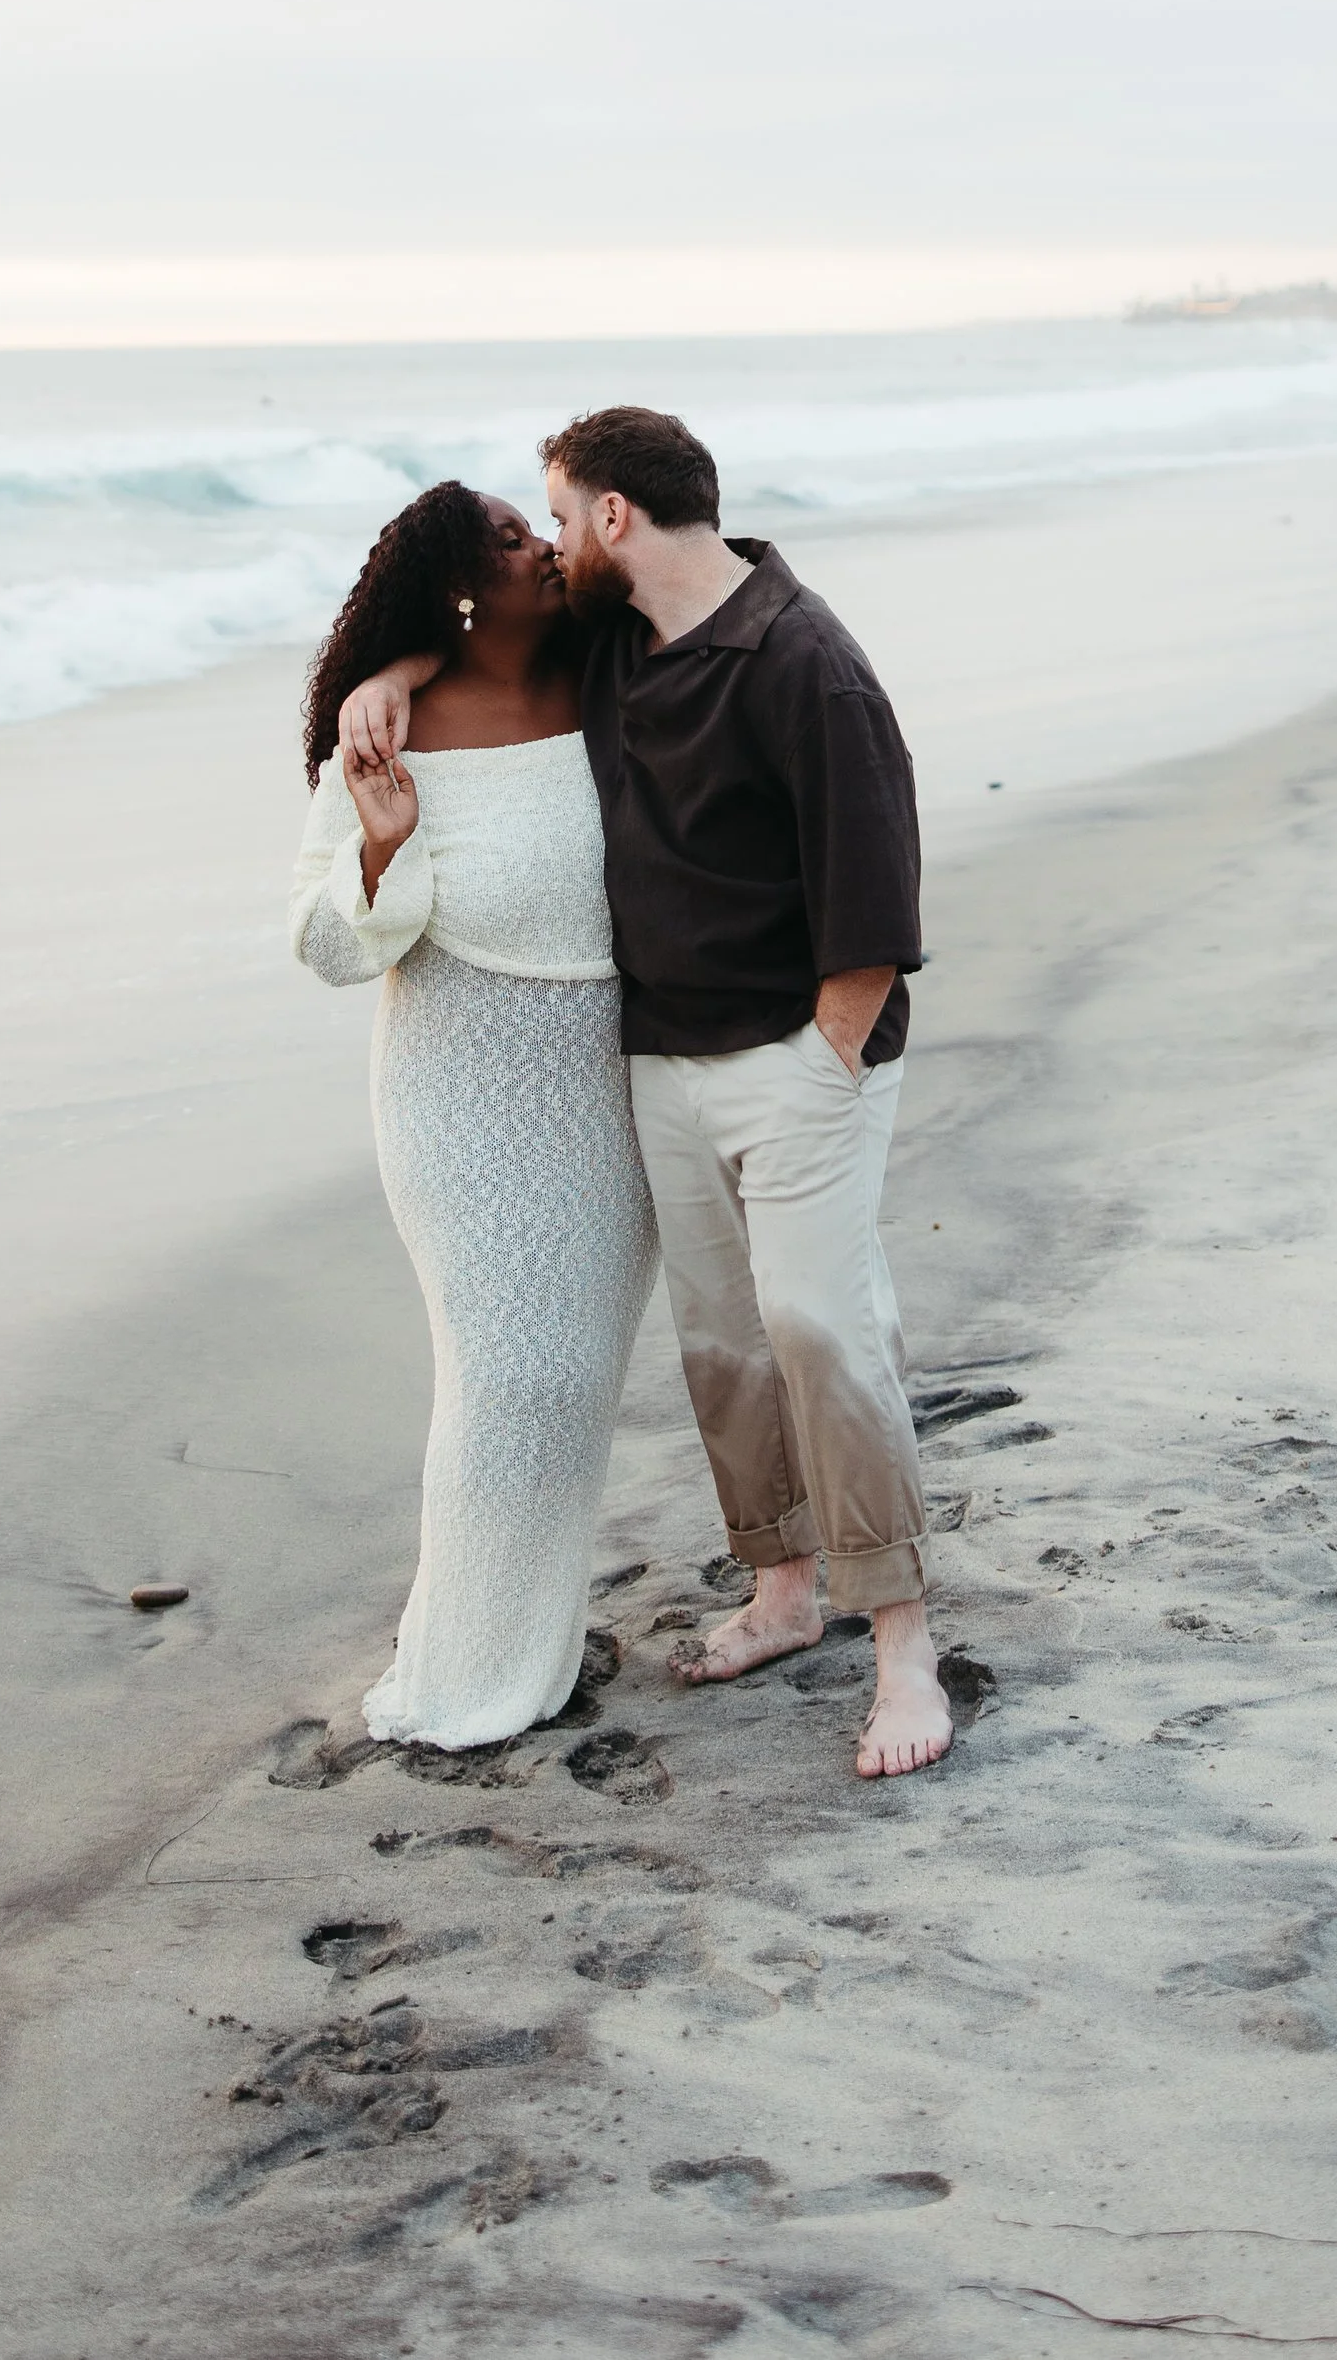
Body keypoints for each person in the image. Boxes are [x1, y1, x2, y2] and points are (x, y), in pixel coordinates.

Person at [340, 406, 949, 1780]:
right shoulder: (617, 643)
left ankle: (903, 1641)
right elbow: (479, 642)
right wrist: (398, 660)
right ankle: (784, 1591)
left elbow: (878, 887)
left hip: (798, 1058)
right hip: (660, 1060)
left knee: (819, 1325)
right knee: (725, 1343)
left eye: (560, 518)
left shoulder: (804, 659)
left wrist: (827, 1051)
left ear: (612, 518)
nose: (551, 547)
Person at [290, 481, 657, 1749]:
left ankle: (535, 1650)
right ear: (457, 585)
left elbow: (718, 568)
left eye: (538, 526)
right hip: (459, 1090)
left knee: (574, 1385)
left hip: (615, 1083)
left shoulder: (615, 666)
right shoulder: (385, 736)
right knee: (506, 1379)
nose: (544, 549)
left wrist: (395, 655)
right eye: (510, 542)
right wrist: (384, 844)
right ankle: (460, 1673)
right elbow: (325, 947)